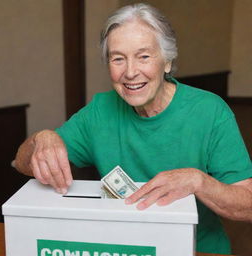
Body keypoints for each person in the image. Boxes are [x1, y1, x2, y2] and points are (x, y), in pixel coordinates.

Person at [14, 3, 252, 255]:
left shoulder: (210, 111)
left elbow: (247, 205)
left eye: (144, 56)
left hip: (196, 249)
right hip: (123, 247)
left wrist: (199, 181)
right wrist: (42, 138)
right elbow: (21, 164)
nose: (130, 72)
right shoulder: (99, 111)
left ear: (167, 61)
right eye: (118, 58)